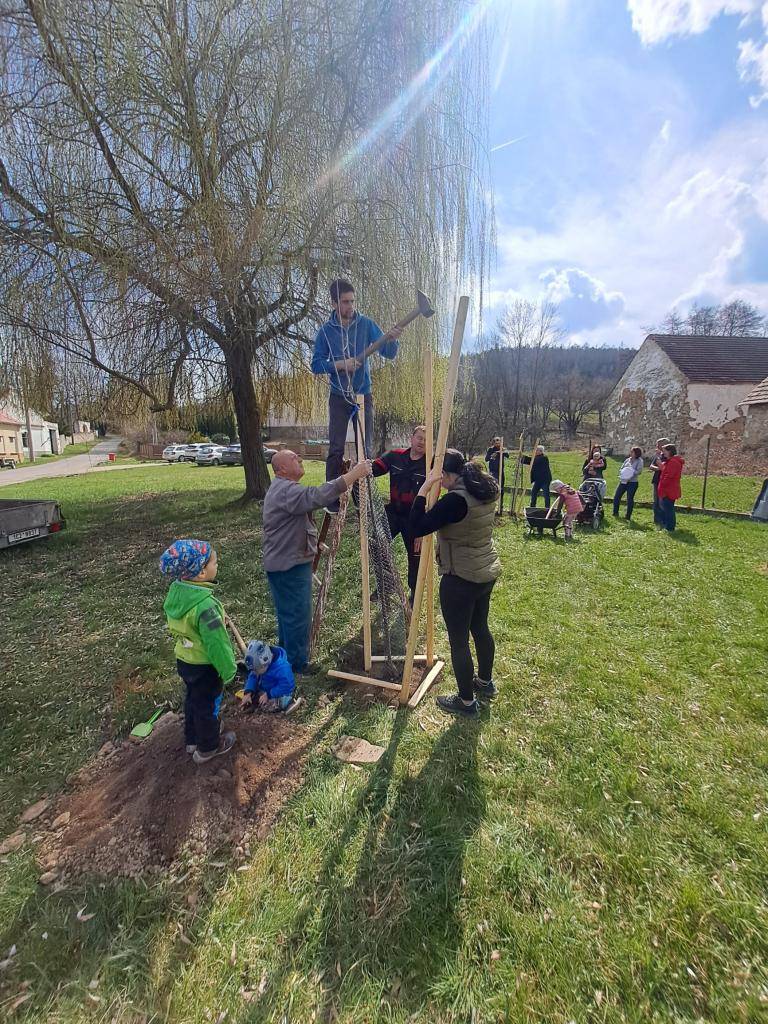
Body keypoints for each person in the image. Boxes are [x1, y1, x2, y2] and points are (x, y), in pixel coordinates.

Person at [263, 449, 372, 673]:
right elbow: (316, 496)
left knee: (288, 615)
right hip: (289, 566)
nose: (300, 459)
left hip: (283, 563)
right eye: (294, 458)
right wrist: (352, 475)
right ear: (282, 469)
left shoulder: (282, 489)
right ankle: (295, 666)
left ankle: (286, 659)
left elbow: (303, 511)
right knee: (297, 616)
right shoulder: (285, 490)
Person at [409, 450, 501, 717]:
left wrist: (424, 489)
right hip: (485, 571)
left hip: (460, 577)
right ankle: (485, 682)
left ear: (446, 475)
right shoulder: (483, 488)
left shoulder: (455, 501)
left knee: (458, 640)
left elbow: (417, 526)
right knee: (480, 628)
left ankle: (466, 701)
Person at [311, 279, 401, 511]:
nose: (351, 306)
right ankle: (330, 499)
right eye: (345, 302)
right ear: (333, 303)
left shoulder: (366, 324)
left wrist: (392, 339)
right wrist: (342, 364)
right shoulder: (325, 332)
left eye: (353, 301)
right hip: (338, 396)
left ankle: (363, 499)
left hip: (363, 394)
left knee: (365, 448)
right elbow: (316, 365)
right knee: (336, 449)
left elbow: (388, 353)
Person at [160, 539, 237, 765]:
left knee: (193, 699)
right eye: (215, 563)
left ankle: (192, 739)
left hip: (185, 660)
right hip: (206, 666)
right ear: (202, 573)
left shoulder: (177, 593)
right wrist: (230, 670)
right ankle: (208, 747)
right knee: (208, 705)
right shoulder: (206, 608)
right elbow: (217, 645)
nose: (217, 566)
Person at [373, 425, 427, 603]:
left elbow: (434, 495)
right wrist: (359, 466)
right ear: (411, 438)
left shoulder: (430, 464)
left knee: (415, 558)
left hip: (415, 518)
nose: (422, 442)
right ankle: (386, 585)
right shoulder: (395, 456)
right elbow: (374, 470)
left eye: (427, 440)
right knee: (376, 543)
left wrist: (423, 529)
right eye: (419, 437)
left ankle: (414, 594)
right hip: (394, 513)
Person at [241, 640, 298, 713]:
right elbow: (253, 676)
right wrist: (248, 692)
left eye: (256, 670)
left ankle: (289, 702)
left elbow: (287, 685)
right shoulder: (259, 666)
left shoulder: (282, 668)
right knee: (253, 696)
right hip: (264, 688)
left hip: (278, 691)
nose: (254, 672)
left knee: (270, 704)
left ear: (265, 662)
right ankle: (253, 702)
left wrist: (269, 694)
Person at [657, 443, 684, 532]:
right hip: (668, 488)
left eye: (664, 451)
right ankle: (667, 525)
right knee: (667, 507)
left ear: (669, 451)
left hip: (669, 489)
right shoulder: (670, 461)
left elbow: (669, 475)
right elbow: (665, 470)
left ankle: (670, 527)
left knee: (669, 509)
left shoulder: (673, 462)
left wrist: (663, 484)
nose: (663, 453)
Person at [612, 446, 644, 519]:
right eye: (631, 451)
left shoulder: (639, 461)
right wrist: (624, 472)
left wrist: (631, 472)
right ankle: (615, 512)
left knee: (629, 499)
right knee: (617, 496)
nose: (631, 453)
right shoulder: (627, 460)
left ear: (636, 453)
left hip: (632, 482)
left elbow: (639, 471)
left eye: (632, 452)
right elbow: (621, 468)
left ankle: (628, 516)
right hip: (623, 481)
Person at [648, 438, 670, 526]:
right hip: (656, 480)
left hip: (664, 481)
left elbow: (665, 468)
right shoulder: (658, 455)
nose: (656, 446)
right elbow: (651, 466)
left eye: (658, 445)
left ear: (663, 445)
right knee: (656, 501)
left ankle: (663, 520)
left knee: (662, 501)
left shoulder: (668, 456)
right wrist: (658, 468)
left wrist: (659, 468)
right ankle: (657, 520)